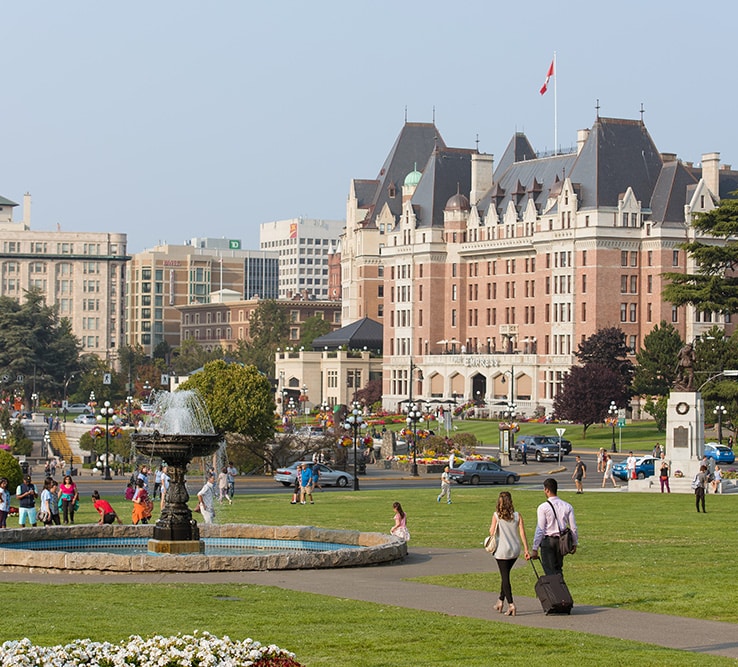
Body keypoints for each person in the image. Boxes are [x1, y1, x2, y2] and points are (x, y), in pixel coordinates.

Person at [489, 491, 530, 616]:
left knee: (505, 577)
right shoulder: (517, 516)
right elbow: (522, 533)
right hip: (515, 550)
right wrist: (526, 550)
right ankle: (500, 601)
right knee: (505, 575)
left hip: (502, 551)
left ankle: (511, 604)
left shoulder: (497, 515)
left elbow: (491, 532)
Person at [530, 478, 578, 576]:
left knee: (549, 570)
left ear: (547, 490)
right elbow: (573, 527)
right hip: (562, 541)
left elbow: (540, 529)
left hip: (548, 541)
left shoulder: (543, 507)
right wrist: (574, 542)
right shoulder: (567, 506)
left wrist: (535, 548)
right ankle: (561, 588)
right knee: (558, 568)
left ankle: (554, 590)